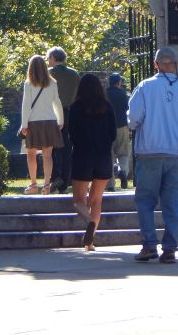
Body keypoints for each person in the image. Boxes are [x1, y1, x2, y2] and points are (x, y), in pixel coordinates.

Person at [128, 47, 178, 264]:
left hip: (150, 154)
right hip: (176, 155)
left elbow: (133, 119)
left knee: (145, 201)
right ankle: (169, 248)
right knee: (173, 203)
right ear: (175, 65)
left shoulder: (145, 87)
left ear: (155, 64)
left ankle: (149, 244)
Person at [68, 73, 117, 250]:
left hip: (82, 155)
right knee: (96, 200)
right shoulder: (107, 107)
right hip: (103, 156)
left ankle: (88, 222)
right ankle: (91, 241)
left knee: (79, 200)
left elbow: (71, 134)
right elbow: (113, 134)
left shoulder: (75, 108)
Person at [19, 54, 65, 195]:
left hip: (33, 122)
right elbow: (57, 102)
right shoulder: (52, 83)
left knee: (31, 155)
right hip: (50, 121)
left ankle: (33, 185)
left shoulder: (29, 84)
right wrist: (61, 120)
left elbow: (26, 105)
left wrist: (24, 124)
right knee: (47, 155)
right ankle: (46, 185)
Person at [47, 46, 79, 194]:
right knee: (67, 146)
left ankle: (55, 176)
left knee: (53, 147)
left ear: (53, 58)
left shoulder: (48, 74)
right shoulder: (74, 74)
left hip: (52, 113)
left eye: (49, 58)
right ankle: (65, 180)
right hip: (71, 113)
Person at [106, 72, 131, 190]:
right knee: (123, 152)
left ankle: (110, 183)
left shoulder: (105, 94)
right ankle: (123, 170)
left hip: (107, 127)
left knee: (108, 154)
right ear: (119, 82)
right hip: (121, 125)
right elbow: (128, 109)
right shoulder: (123, 94)